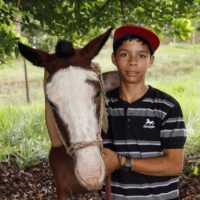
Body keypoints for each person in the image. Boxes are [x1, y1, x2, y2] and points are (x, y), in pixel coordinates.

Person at [101, 24, 187, 200]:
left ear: (151, 60)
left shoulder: (167, 106)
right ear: (114, 58)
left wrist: (122, 162)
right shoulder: (100, 106)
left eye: (141, 55)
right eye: (125, 54)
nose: (133, 61)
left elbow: (174, 165)